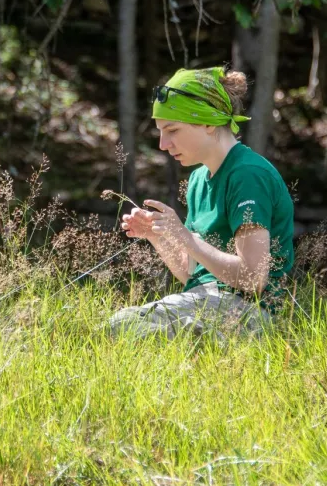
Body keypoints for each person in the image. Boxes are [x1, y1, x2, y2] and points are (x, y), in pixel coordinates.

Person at [107, 67, 294, 338]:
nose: (163, 144)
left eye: (172, 130)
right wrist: (156, 237)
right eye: (160, 131)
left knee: (130, 331)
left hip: (250, 312)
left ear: (208, 123)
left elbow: (252, 279)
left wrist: (183, 235)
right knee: (119, 325)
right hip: (205, 301)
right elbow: (192, 275)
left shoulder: (248, 175)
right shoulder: (197, 180)